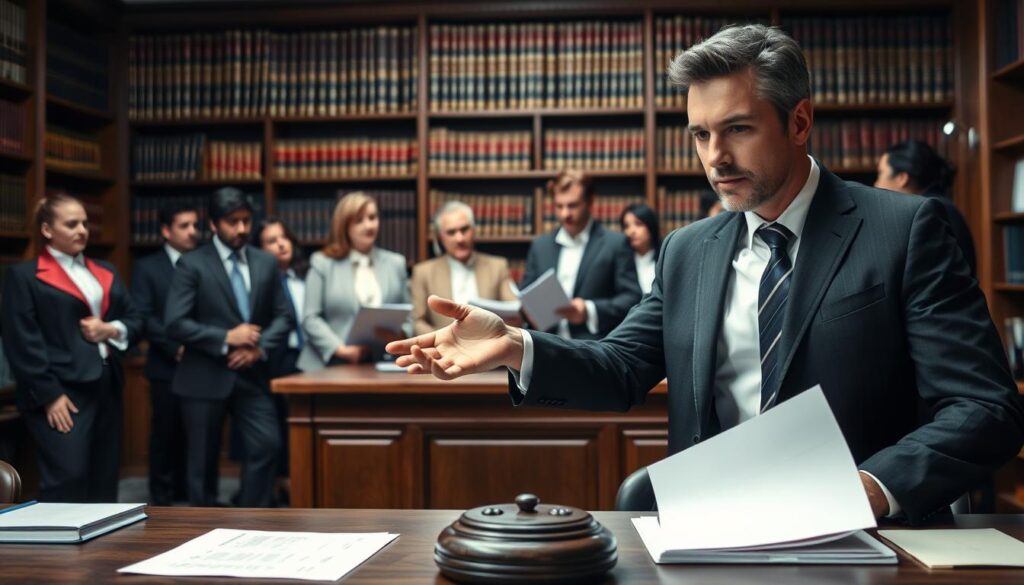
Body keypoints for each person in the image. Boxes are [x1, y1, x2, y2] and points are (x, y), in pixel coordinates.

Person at [387, 24, 1024, 526]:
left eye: (738, 130)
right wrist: (516, 347)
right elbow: (621, 369)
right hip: (711, 533)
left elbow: (985, 408)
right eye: (699, 135)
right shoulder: (687, 250)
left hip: (869, 536)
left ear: (799, 121)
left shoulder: (905, 229)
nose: (714, 158)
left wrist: (869, 489)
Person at [1, 193, 142, 502]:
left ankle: (105, 548)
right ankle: (60, 550)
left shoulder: (104, 270)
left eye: (84, 223)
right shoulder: (24, 276)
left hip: (107, 383)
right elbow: (22, 342)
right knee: (68, 477)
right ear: (47, 230)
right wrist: (50, 395)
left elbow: (134, 318)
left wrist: (110, 328)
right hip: (61, 390)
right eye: (71, 224)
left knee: (105, 477)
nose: (82, 230)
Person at [165, 187, 292, 507]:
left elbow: (284, 316)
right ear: (213, 224)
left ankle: (254, 521)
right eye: (232, 222)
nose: (241, 229)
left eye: (247, 221)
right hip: (204, 375)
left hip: (252, 372)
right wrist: (226, 338)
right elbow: (175, 322)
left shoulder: (265, 262)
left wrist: (257, 347)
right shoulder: (192, 263)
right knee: (202, 464)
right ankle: (202, 531)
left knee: (267, 445)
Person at [130, 203, 199, 506]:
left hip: (201, 362)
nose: (192, 232)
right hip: (166, 365)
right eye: (184, 225)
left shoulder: (201, 262)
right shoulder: (148, 267)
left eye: (195, 225)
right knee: (165, 432)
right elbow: (145, 318)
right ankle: (161, 497)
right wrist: (176, 346)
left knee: (195, 433)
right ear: (166, 231)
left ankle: (189, 494)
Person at [519, 170, 641, 340]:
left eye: (572, 205)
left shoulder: (616, 244)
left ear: (590, 202)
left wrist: (588, 310)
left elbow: (633, 300)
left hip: (595, 349)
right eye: (559, 206)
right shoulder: (540, 246)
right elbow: (525, 296)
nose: (564, 214)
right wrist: (525, 311)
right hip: (545, 347)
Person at [298, 191, 410, 370]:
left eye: (372, 217)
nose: (369, 226)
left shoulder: (396, 263)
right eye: (359, 220)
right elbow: (310, 318)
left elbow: (408, 317)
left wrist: (400, 335)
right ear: (344, 226)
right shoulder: (322, 263)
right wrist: (341, 350)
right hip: (330, 363)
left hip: (381, 362)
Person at [253, 216, 307, 505]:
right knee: (274, 426)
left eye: (284, 237)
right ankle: (279, 482)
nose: (281, 244)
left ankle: (296, 480)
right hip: (272, 358)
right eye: (271, 241)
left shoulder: (303, 276)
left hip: (303, 357)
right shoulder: (261, 281)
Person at [411, 201, 519, 336]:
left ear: (473, 230)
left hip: (490, 346)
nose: (459, 238)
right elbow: (417, 321)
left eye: (464, 229)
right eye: (451, 232)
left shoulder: (497, 266)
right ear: (440, 237)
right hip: (442, 350)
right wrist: (443, 340)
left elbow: (514, 309)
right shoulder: (423, 273)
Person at [875, 140, 977, 276]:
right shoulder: (940, 205)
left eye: (881, 174)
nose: (876, 184)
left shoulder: (930, 211)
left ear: (902, 178)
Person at [620, 203, 661, 295]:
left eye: (638, 224)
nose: (631, 231)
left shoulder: (665, 257)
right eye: (626, 226)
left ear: (651, 226)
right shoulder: (621, 261)